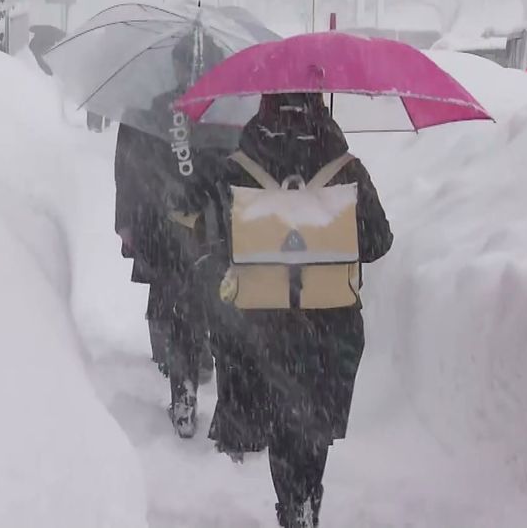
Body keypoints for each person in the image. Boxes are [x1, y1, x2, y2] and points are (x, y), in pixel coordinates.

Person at [203, 92, 393, 528]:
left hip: (262, 319)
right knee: (315, 422)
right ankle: (308, 496)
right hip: (331, 321)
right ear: (320, 108)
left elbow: (216, 245)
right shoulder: (346, 169)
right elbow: (379, 242)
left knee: (281, 422)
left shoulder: (237, 168)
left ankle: (291, 505)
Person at [113, 31, 227, 438]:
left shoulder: (158, 110)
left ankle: (184, 391)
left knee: (178, 315)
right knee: (220, 312)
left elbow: (134, 171)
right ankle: (225, 396)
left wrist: (131, 222)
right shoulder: (225, 114)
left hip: (166, 231)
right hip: (215, 236)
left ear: (177, 67)